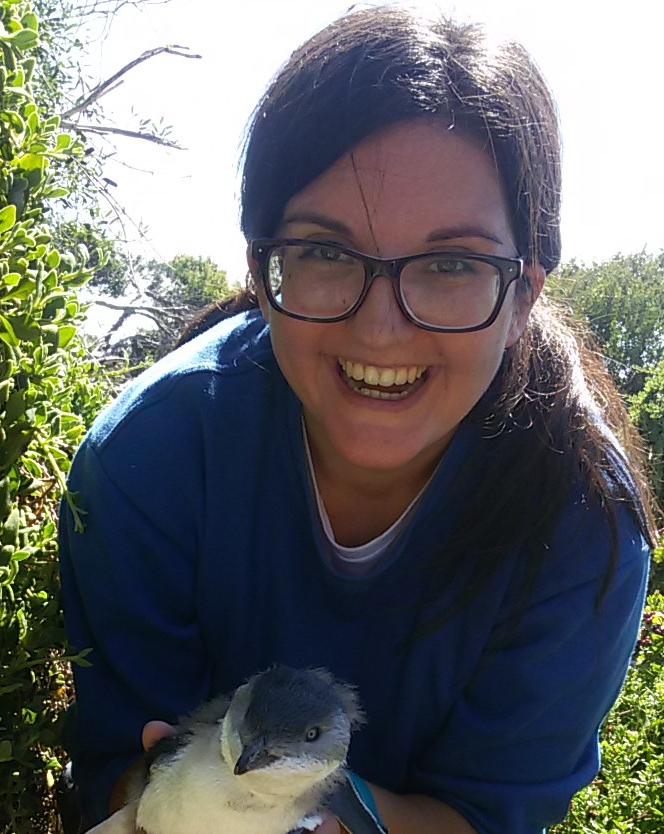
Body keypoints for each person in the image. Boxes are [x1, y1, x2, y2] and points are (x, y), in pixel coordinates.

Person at [58, 6, 656, 834]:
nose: (380, 330)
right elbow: (120, 773)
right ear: (262, 269)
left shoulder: (585, 524)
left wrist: (330, 817)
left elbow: (489, 815)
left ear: (524, 292)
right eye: (326, 253)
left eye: (451, 264)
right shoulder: (147, 462)